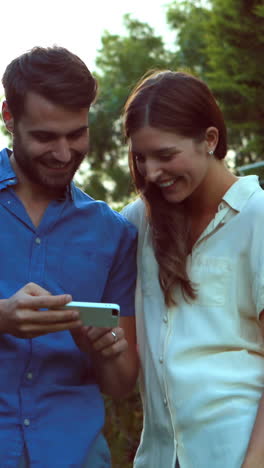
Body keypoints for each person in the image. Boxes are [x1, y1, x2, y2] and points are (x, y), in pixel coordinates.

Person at [0, 46, 138, 467]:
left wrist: (104, 349)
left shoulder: (113, 233)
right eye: (45, 137)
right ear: (8, 117)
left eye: (76, 134)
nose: (64, 154)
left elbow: (120, 384)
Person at [121, 70, 264, 468]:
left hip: (236, 455)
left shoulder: (257, 219)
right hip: (159, 458)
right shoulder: (137, 224)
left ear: (210, 140)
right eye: (140, 157)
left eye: (166, 155)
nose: (151, 173)